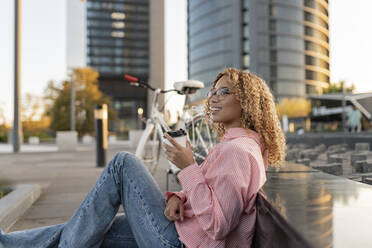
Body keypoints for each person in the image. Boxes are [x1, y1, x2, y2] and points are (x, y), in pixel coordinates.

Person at [0, 68, 286, 248]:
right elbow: (210, 197)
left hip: (177, 242)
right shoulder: (238, 146)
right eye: (212, 91)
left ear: (248, 101)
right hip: (181, 230)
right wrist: (178, 197)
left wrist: (187, 166)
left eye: (224, 91)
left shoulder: (237, 152)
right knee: (93, 223)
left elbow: (218, 225)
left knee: (123, 163)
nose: (212, 97)